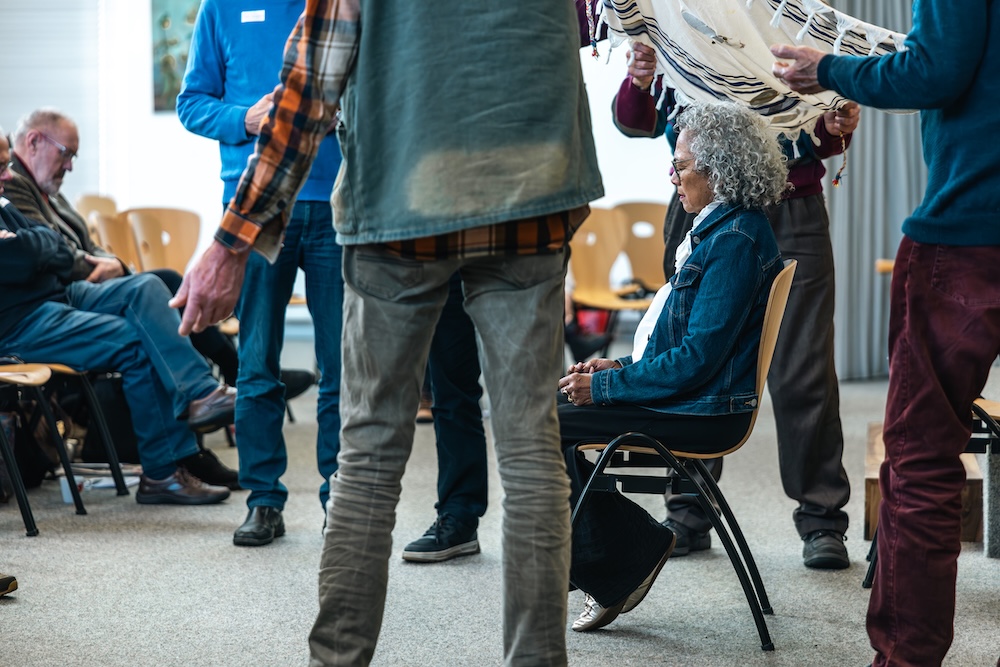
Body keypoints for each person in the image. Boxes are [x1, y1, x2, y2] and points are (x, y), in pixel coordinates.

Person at [171, 0, 603, 662]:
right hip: (532, 199)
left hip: (403, 200)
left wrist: (233, 239)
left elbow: (309, 87)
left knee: (368, 453)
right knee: (532, 455)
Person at [771, 2, 1000, 663]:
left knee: (923, 458)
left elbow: (938, 71)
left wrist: (831, 69)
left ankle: (908, 654)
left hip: (969, 231)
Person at [613, 42, 859, 569]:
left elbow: (820, 131)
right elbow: (636, 121)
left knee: (803, 368)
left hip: (791, 207)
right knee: (688, 351)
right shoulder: (674, 19)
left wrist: (836, 122)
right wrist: (639, 78)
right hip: (701, 203)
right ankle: (687, 510)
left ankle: (821, 519)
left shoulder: (786, 21)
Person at [558, 99, 786, 632]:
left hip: (701, 410)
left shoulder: (734, 240)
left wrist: (612, 387)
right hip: (690, 396)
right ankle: (627, 553)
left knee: (544, 426)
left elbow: (696, 362)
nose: (672, 174)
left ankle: (623, 561)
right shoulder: (720, 229)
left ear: (720, 170)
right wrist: (614, 368)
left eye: (681, 164)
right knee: (553, 410)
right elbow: (683, 346)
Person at [176, 0, 344, 546]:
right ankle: (264, 500)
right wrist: (243, 118)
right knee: (256, 364)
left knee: (341, 366)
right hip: (253, 209)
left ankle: (337, 498)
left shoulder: (339, 6)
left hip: (337, 204)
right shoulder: (220, 8)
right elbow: (191, 103)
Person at [5, 108, 240, 489]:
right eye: (66, 153)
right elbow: (40, 250)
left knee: (150, 287)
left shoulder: (36, 193)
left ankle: (201, 393)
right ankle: (172, 465)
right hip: (31, 312)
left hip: (58, 292)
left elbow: (53, 244)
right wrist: (51, 248)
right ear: (33, 142)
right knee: (139, 332)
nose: (69, 165)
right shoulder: (14, 186)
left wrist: (92, 257)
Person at [401, 272, 489, 563]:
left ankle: (538, 524)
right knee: (448, 391)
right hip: (434, 256)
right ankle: (459, 514)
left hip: (509, 253)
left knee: (527, 399)